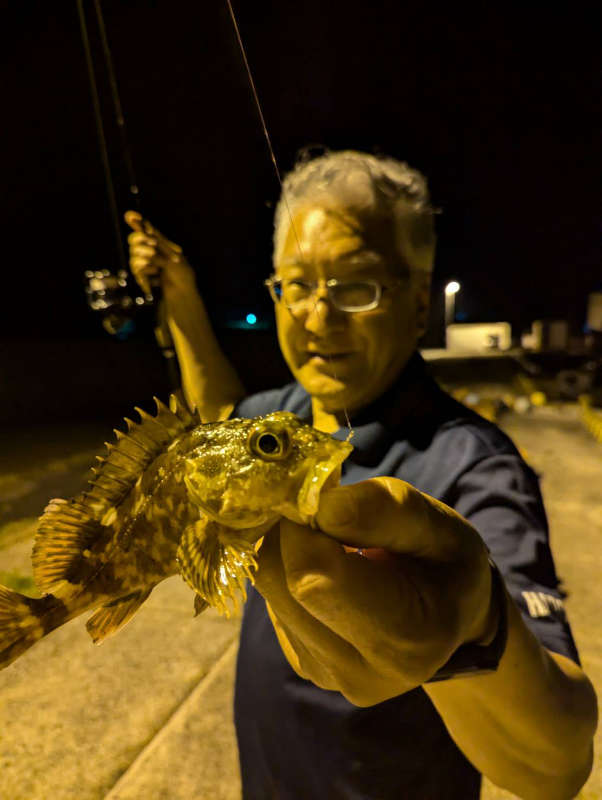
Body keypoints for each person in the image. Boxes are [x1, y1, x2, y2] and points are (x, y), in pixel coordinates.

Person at [126, 150, 597, 800]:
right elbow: (219, 416)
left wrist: (477, 628)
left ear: (416, 301)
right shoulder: (280, 417)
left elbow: (557, 766)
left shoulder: (474, 463)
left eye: (354, 287)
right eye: (296, 284)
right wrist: (180, 298)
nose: (318, 318)